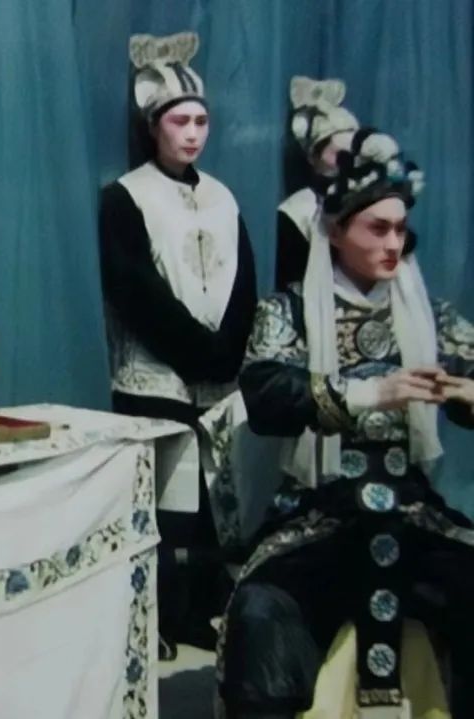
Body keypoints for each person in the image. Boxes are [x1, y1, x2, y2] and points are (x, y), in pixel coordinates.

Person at [218, 130, 474, 717]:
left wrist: (466, 392)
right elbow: (266, 395)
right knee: (262, 609)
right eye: (377, 229)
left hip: (411, 507)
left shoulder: (428, 316)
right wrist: (369, 393)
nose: (393, 244)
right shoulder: (289, 312)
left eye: (400, 230)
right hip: (318, 511)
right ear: (335, 231)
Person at [98, 31, 257, 658]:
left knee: (213, 503)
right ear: (153, 126)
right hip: (156, 378)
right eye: (179, 121)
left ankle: (199, 611)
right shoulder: (126, 196)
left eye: (201, 122)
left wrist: (226, 351)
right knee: (164, 505)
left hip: (218, 376)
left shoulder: (223, 197)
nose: (192, 134)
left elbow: (244, 281)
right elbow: (134, 288)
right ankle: (156, 615)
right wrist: (194, 351)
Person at [275, 75, 360, 290]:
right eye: (338, 154)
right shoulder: (298, 212)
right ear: (313, 158)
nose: (348, 162)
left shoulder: (367, 200)